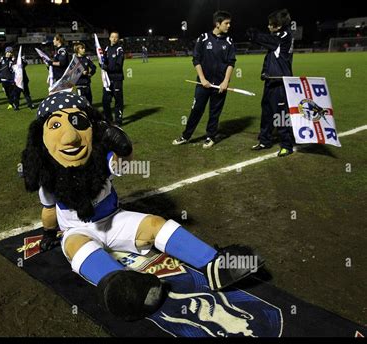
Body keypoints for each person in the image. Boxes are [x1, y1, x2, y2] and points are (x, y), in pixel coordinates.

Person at [21, 92, 264, 321]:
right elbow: (49, 210)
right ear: (40, 137)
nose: (70, 136)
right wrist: (49, 233)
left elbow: (124, 164)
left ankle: (214, 263)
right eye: (55, 126)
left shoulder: (100, 158)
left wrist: (122, 146)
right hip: (77, 230)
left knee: (154, 224)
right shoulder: (48, 176)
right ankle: (123, 287)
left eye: (78, 122)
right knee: (77, 247)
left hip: (114, 220)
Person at [173, 11, 236, 149]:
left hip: (220, 85)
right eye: (226, 23)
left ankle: (210, 137)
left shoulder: (229, 41)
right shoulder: (203, 38)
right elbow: (196, 59)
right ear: (217, 24)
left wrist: (226, 81)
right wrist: (202, 78)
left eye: (229, 23)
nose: (229, 26)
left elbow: (231, 62)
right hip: (203, 84)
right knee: (196, 110)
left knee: (215, 112)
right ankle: (186, 136)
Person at [246, 9, 294, 157]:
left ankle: (287, 144)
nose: (268, 27)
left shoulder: (283, 37)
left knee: (281, 115)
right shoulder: (278, 38)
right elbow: (270, 57)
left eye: (270, 25)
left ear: (278, 26)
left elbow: (266, 40)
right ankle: (265, 140)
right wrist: (264, 73)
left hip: (280, 83)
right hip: (270, 81)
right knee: (266, 113)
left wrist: (252, 33)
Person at [102, 31, 125, 126]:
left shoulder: (120, 49)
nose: (114, 39)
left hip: (117, 79)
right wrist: (102, 64)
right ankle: (109, 119)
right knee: (105, 101)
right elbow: (104, 61)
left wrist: (107, 68)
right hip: (107, 80)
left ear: (118, 39)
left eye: (116, 37)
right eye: (112, 37)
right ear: (109, 38)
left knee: (118, 100)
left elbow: (119, 66)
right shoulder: (106, 49)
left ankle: (118, 121)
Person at [0, 46, 18, 110]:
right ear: (5, 52)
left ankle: (13, 104)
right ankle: (10, 103)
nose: (9, 53)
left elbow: (16, 69)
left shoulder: (13, 59)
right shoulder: (2, 59)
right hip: (3, 79)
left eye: (10, 52)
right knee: (7, 93)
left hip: (11, 79)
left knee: (12, 92)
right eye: (8, 52)